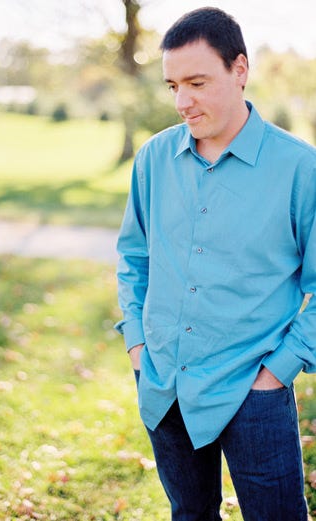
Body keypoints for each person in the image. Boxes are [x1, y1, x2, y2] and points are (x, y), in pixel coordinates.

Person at [116, 7, 316, 520]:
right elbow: (133, 256)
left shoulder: (300, 169)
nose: (183, 101)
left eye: (198, 82)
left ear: (240, 70)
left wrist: (278, 371)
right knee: (190, 515)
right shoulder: (154, 159)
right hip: (163, 382)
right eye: (172, 85)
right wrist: (138, 345)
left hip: (254, 390)